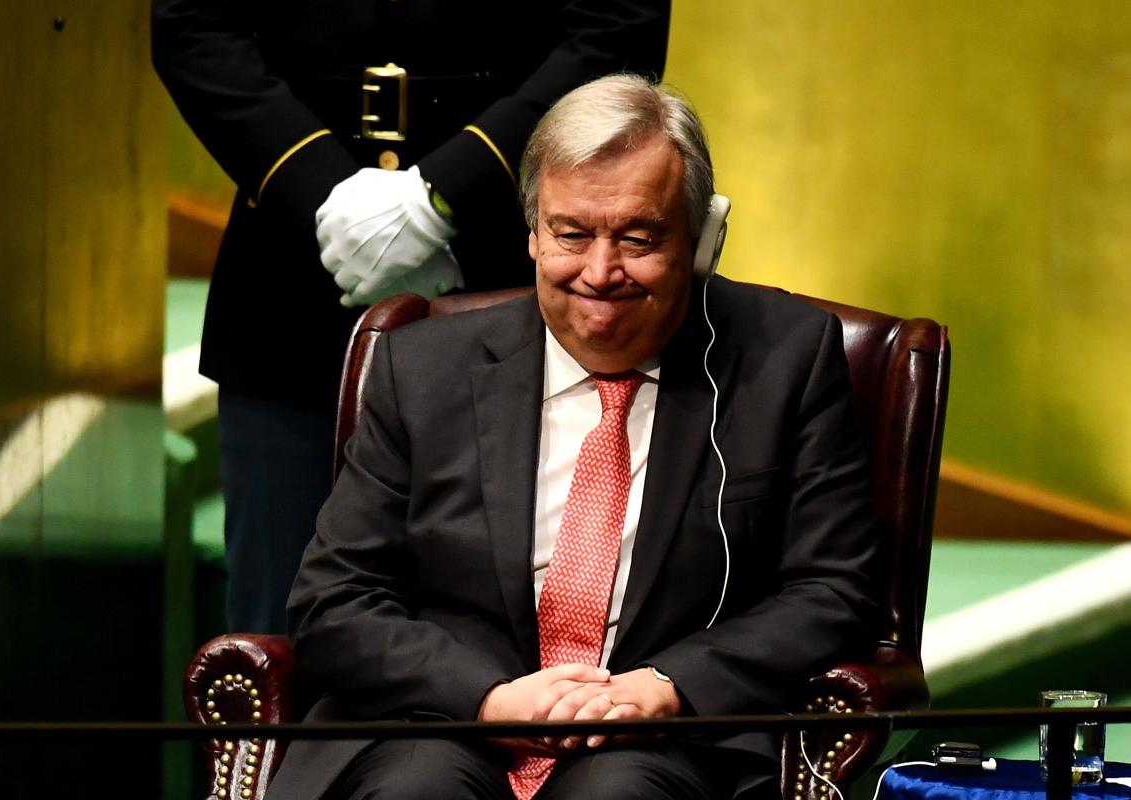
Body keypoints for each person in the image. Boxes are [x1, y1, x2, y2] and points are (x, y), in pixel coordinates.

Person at [269, 74, 879, 800]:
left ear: (701, 240)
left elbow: (833, 588)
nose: (600, 272)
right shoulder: (422, 364)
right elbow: (333, 601)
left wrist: (670, 685)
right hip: (445, 721)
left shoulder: (786, 361)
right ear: (531, 233)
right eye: (571, 234)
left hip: (667, 741)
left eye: (639, 238)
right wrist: (490, 698)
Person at [150, 1, 671, 633]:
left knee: (511, 638)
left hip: (509, 266)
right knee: (278, 644)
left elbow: (619, 28)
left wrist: (446, 194)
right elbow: (194, 25)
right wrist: (324, 195)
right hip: (292, 287)